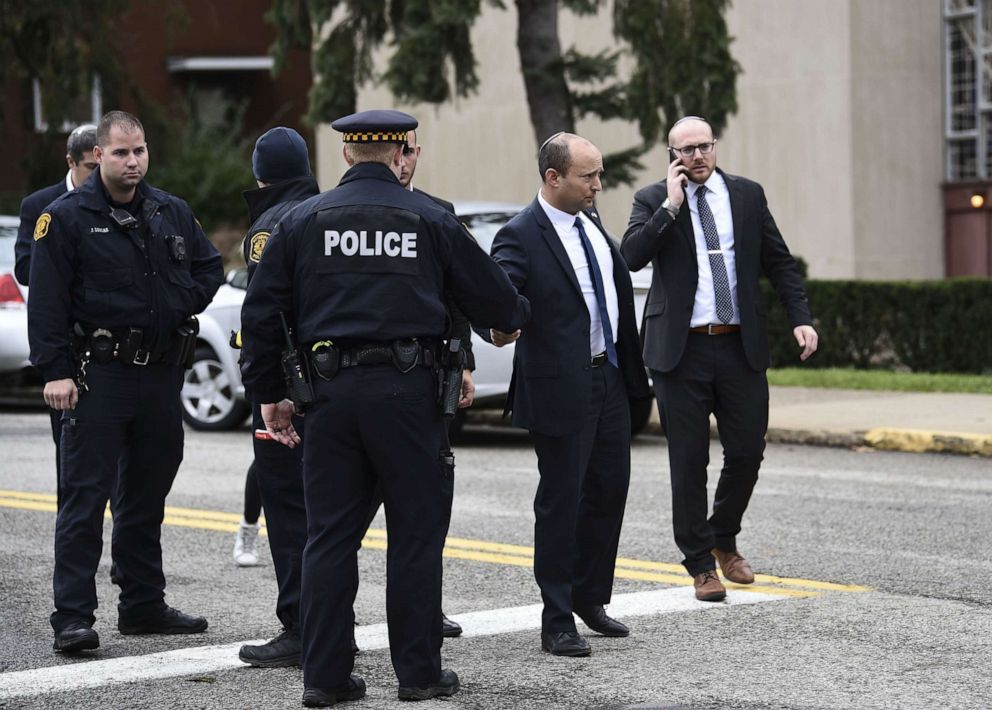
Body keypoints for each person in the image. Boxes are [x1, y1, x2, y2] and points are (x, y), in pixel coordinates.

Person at [240, 109, 529, 707]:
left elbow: (261, 313)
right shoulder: (429, 217)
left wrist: (270, 394)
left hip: (329, 398)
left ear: (347, 155)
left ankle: (324, 677)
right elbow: (497, 299)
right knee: (415, 537)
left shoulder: (299, 220)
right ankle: (419, 674)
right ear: (401, 153)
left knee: (328, 538)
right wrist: (511, 318)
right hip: (409, 395)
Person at [28, 110, 223, 654]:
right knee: (85, 499)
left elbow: (208, 269)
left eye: (139, 151)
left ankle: (141, 604)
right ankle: (72, 616)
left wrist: (177, 304)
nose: (132, 161)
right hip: (99, 378)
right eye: (120, 153)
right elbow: (45, 303)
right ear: (97, 157)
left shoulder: (170, 211)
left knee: (145, 496)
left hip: (160, 376)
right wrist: (56, 371)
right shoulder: (64, 218)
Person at [620, 116, 818, 602]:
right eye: (685, 151)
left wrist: (801, 317)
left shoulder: (747, 195)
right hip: (680, 352)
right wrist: (670, 205)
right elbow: (631, 256)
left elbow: (779, 261)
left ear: (715, 146)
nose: (696, 157)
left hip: (739, 345)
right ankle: (699, 564)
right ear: (672, 157)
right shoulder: (652, 200)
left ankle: (723, 538)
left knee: (748, 450)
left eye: (703, 147)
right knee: (688, 462)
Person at [488, 132, 649, 657]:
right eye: (589, 176)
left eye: (599, 174)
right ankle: (556, 618)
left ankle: (589, 598)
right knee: (561, 504)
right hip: (560, 391)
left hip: (609, 381)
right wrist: (501, 325)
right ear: (552, 177)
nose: (598, 185)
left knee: (608, 494)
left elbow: (616, 301)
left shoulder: (593, 226)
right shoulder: (519, 235)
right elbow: (504, 299)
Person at [235, 126, 319, 668]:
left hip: (289, 393)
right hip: (331, 386)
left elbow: (266, 315)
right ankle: (331, 615)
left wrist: (271, 391)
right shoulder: (326, 210)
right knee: (327, 516)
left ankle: (300, 625)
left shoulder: (269, 226)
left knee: (289, 514)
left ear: (261, 174)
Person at [16, 124, 99, 508]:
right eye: (88, 168)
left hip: (112, 348)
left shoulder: (121, 199)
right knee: (70, 456)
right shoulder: (40, 205)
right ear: (70, 162)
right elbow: (22, 268)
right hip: (67, 345)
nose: (96, 178)